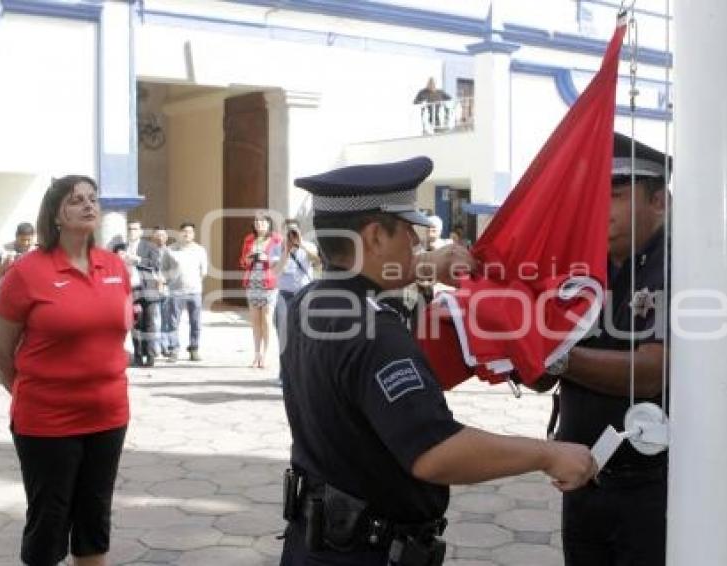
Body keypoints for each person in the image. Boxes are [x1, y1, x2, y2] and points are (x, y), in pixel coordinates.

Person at [279, 156, 596, 565]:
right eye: (409, 229)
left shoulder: (308, 304)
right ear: (374, 236)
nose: (415, 241)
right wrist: (547, 454)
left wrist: (429, 267)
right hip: (366, 554)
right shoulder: (378, 334)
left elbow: (357, 278)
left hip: (313, 545)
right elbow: (434, 452)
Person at [532, 134, 672, 566]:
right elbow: (541, 375)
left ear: (658, 202)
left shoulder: (679, 262)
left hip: (649, 482)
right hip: (581, 472)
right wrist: (518, 351)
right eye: (594, 196)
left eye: (614, 196)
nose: (600, 210)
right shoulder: (581, 268)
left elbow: (650, 372)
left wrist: (557, 355)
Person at [0, 175, 131, 566]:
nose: (88, 205)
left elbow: (118, 335)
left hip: (108, 416)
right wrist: (31, 394)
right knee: (48, 524)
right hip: (46, 422)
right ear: (55, 215)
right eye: (75, 200)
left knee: (94, 520)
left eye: (92, 198)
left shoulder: (116, 266)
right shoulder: (25, 273)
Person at [239, 212, 282, 369]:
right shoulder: (249, 239)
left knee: (267, 319)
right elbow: (242, 261)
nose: (259, 224)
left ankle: (266, 355)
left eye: (262, 221)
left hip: (269, 283)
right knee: (255, 320)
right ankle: (256, 354)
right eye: (256, 221)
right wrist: (248, 258)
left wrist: (267, 259)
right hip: (252, 282)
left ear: (269, 223)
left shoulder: (277, 239)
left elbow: (282, 261)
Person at [273, 219, 320, 354]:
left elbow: (318, 262)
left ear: (300, 231)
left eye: (293, 230)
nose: (290, 233)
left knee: (305, 331)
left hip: (304, 294)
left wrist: (302, 245)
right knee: (283, 332)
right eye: (287, 230)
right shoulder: (277, 248)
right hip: (285, 294)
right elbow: (276, 271)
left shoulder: (308, 246)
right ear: (282, 232)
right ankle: (285, 369)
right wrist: (286, 251)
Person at [123, 220, 162, 367]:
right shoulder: (123, 247)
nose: (132, 231)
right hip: (131, 291)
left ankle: (150, 356)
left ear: (140, 232)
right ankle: (138, 356)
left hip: (148, 290)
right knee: (135, 325)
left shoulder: (149, 246)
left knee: (150, 324)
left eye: (135, 229)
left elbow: (155, 263)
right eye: (130, 229)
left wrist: (137, 259)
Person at [168, 222, 208, 362]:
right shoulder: (171, 249)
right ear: (179, 233)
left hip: (194, 291)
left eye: (190, 232)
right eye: (184, 231)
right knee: (173, 322)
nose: (187, 234)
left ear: (194, 234)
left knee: (195, 322)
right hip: (176, 291)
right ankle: (173, 349)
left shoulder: (200, 250)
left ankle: (194, 349)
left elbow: (204, 271)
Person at [151, 226, 179, 360]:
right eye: (157, 235)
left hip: (169, 289)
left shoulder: (173, 251)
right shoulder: (148, 252)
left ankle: (168, 346)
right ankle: (157, 347)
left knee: (168, 319)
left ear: (167, 237)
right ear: (153, 237)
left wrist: (166, 281)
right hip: (153, 289)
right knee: (155, 320)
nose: (160, 238)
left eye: (162, 235)